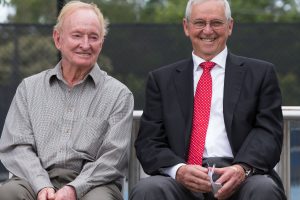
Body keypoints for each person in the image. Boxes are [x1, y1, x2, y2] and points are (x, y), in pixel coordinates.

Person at [130, 0, 286, 200]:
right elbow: (149, 141)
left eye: (216, 23)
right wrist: (178, 170)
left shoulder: (260, 74)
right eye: (200, 23)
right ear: (186, 27)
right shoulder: (161, 80)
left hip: (241, 178)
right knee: (148, 190)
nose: (208, 30)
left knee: (264, 189)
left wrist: (242, 168)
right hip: (181, 181)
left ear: (230, 26)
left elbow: (269, 134)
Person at [0, 1, 134, 200]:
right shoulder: (29, 89)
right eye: (77, 35)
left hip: (94, 185)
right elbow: (17, 146)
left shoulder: (119, 95)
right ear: (58, 39)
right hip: (35, 179)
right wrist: (41, 185)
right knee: (8, 193)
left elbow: (112, 159)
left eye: (93, 37)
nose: (85, 44)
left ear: (101, 43)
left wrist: (73, 189)